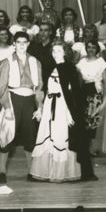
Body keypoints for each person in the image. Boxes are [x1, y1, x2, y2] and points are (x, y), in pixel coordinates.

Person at [30, 41, 87, 183]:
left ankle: (62, 173)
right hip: (50, 105)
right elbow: (43, 90)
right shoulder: (49, 67)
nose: (55, 54)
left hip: (63, 107)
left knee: (60, 136)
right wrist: (40, 108)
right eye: (53, 51)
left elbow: (74, 94)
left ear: (65, 53)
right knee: (48, 136)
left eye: (59, 51)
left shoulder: (70, 68)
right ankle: (48, 171)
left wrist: (70, 113)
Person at [0, 32, 44, 183]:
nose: (21, 45)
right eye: (18, 42)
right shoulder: (6, 62)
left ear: (28, 43)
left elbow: (39, 87)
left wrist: (39, 106)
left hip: (29, 101)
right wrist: (7, 107)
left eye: (24, 42)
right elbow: (0, 88)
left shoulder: (35, 62)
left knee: (30, 137)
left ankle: (31, 171)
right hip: (12, 99)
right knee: (6, 136)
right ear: (14, 44)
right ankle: (2, 172)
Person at [76, 40, 106, 154]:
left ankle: (96, 147)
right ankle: (88, 147)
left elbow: (105, 80)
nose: (90, 50)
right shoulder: (82, 62)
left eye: (93, 47)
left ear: (97, 49)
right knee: (85, 120)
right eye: (88, 47)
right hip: (84, 92)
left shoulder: (101, 62)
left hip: (96, 93)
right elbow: (79, 80)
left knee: (95, 120)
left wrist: (105, 98)